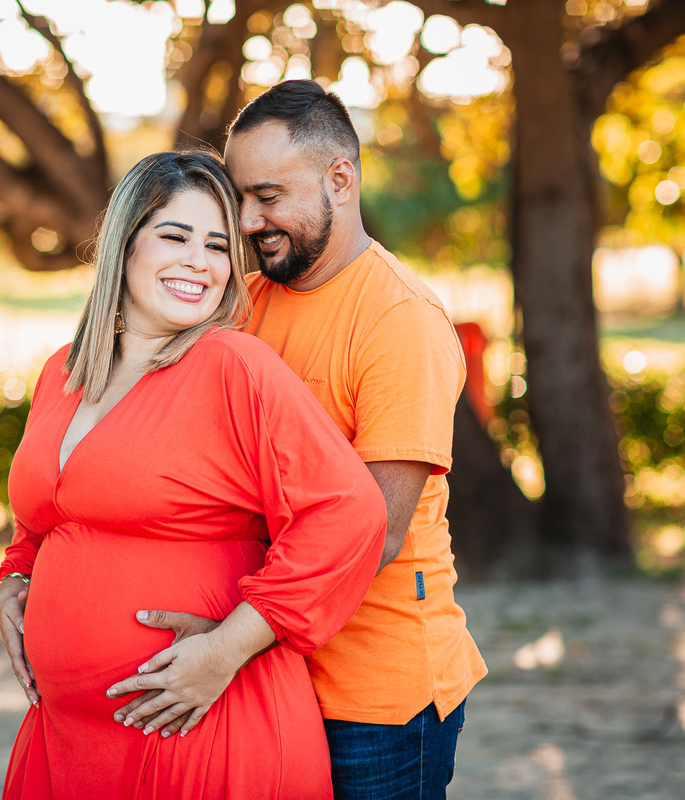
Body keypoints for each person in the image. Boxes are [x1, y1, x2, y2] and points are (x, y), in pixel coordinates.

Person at [107, 81, 487, 799]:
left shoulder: (400, 323)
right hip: (263, 669)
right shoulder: (245, 304)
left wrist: (227, 643)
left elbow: (372, 534)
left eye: (268, 195)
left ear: (341, 179)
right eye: (239, 199)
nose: (247, 221)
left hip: (373, 696)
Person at [0, 149, 387, 799]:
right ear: (124, 244)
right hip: (70, 737)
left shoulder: (234, 366)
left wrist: (227, 649)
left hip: (201, 724)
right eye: (174, 236)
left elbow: (348, 513)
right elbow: (44, 515)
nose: (199, 263)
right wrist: (15, 579)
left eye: (216, 245)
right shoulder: (64, 371)